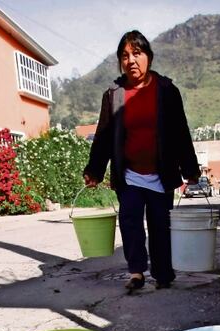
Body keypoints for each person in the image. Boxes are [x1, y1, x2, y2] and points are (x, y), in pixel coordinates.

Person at [83, 30, 200, 292]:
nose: (131, 60)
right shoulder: (114, 94)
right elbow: (103, 135)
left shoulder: (167, 90)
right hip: (129, 173)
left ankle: (163, 273)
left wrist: (190, 168)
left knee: (160, 224)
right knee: (130, 221)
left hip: (161, 172)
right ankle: (136, 271)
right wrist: (94, 170)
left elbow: (180, 131)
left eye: (137, 54)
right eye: (124, 56)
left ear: (148, 57)